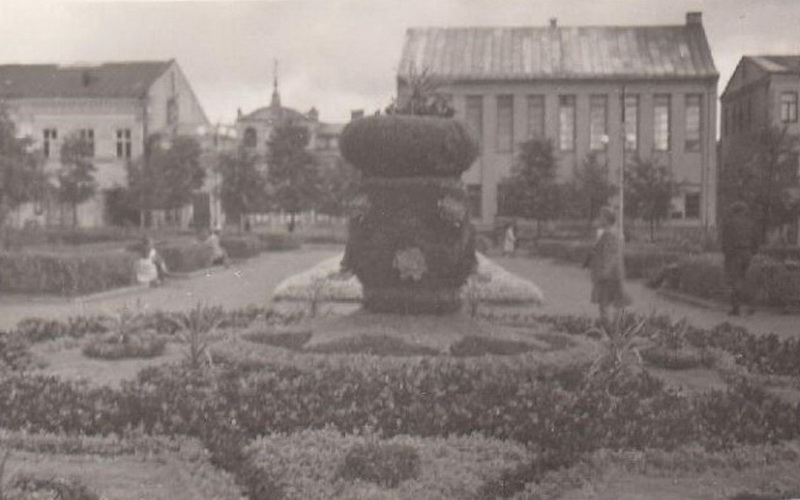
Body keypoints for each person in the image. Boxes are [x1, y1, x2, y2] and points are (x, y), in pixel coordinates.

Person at [584, 206, 630, 326]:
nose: (599, 219)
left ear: (606, 219)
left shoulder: (611, 235)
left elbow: (610, 257)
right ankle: (613, 329)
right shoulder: (606, 234)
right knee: (608, 305)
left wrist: (602, 273)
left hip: (609, 277)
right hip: (608, 276)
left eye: (601, 217)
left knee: (608, 305)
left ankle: (614, 331)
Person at [721, 202, 759, 316]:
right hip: (747, 253)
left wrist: (727, 255)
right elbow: (756, 240)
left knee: (735, 280)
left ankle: (736, 308)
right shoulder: (750, 223)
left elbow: (725, 241)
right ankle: (750, 306)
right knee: (745, 279)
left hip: (734, 253)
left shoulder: (729, 223)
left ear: (734, 211)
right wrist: (752, 252)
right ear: (743, 211)